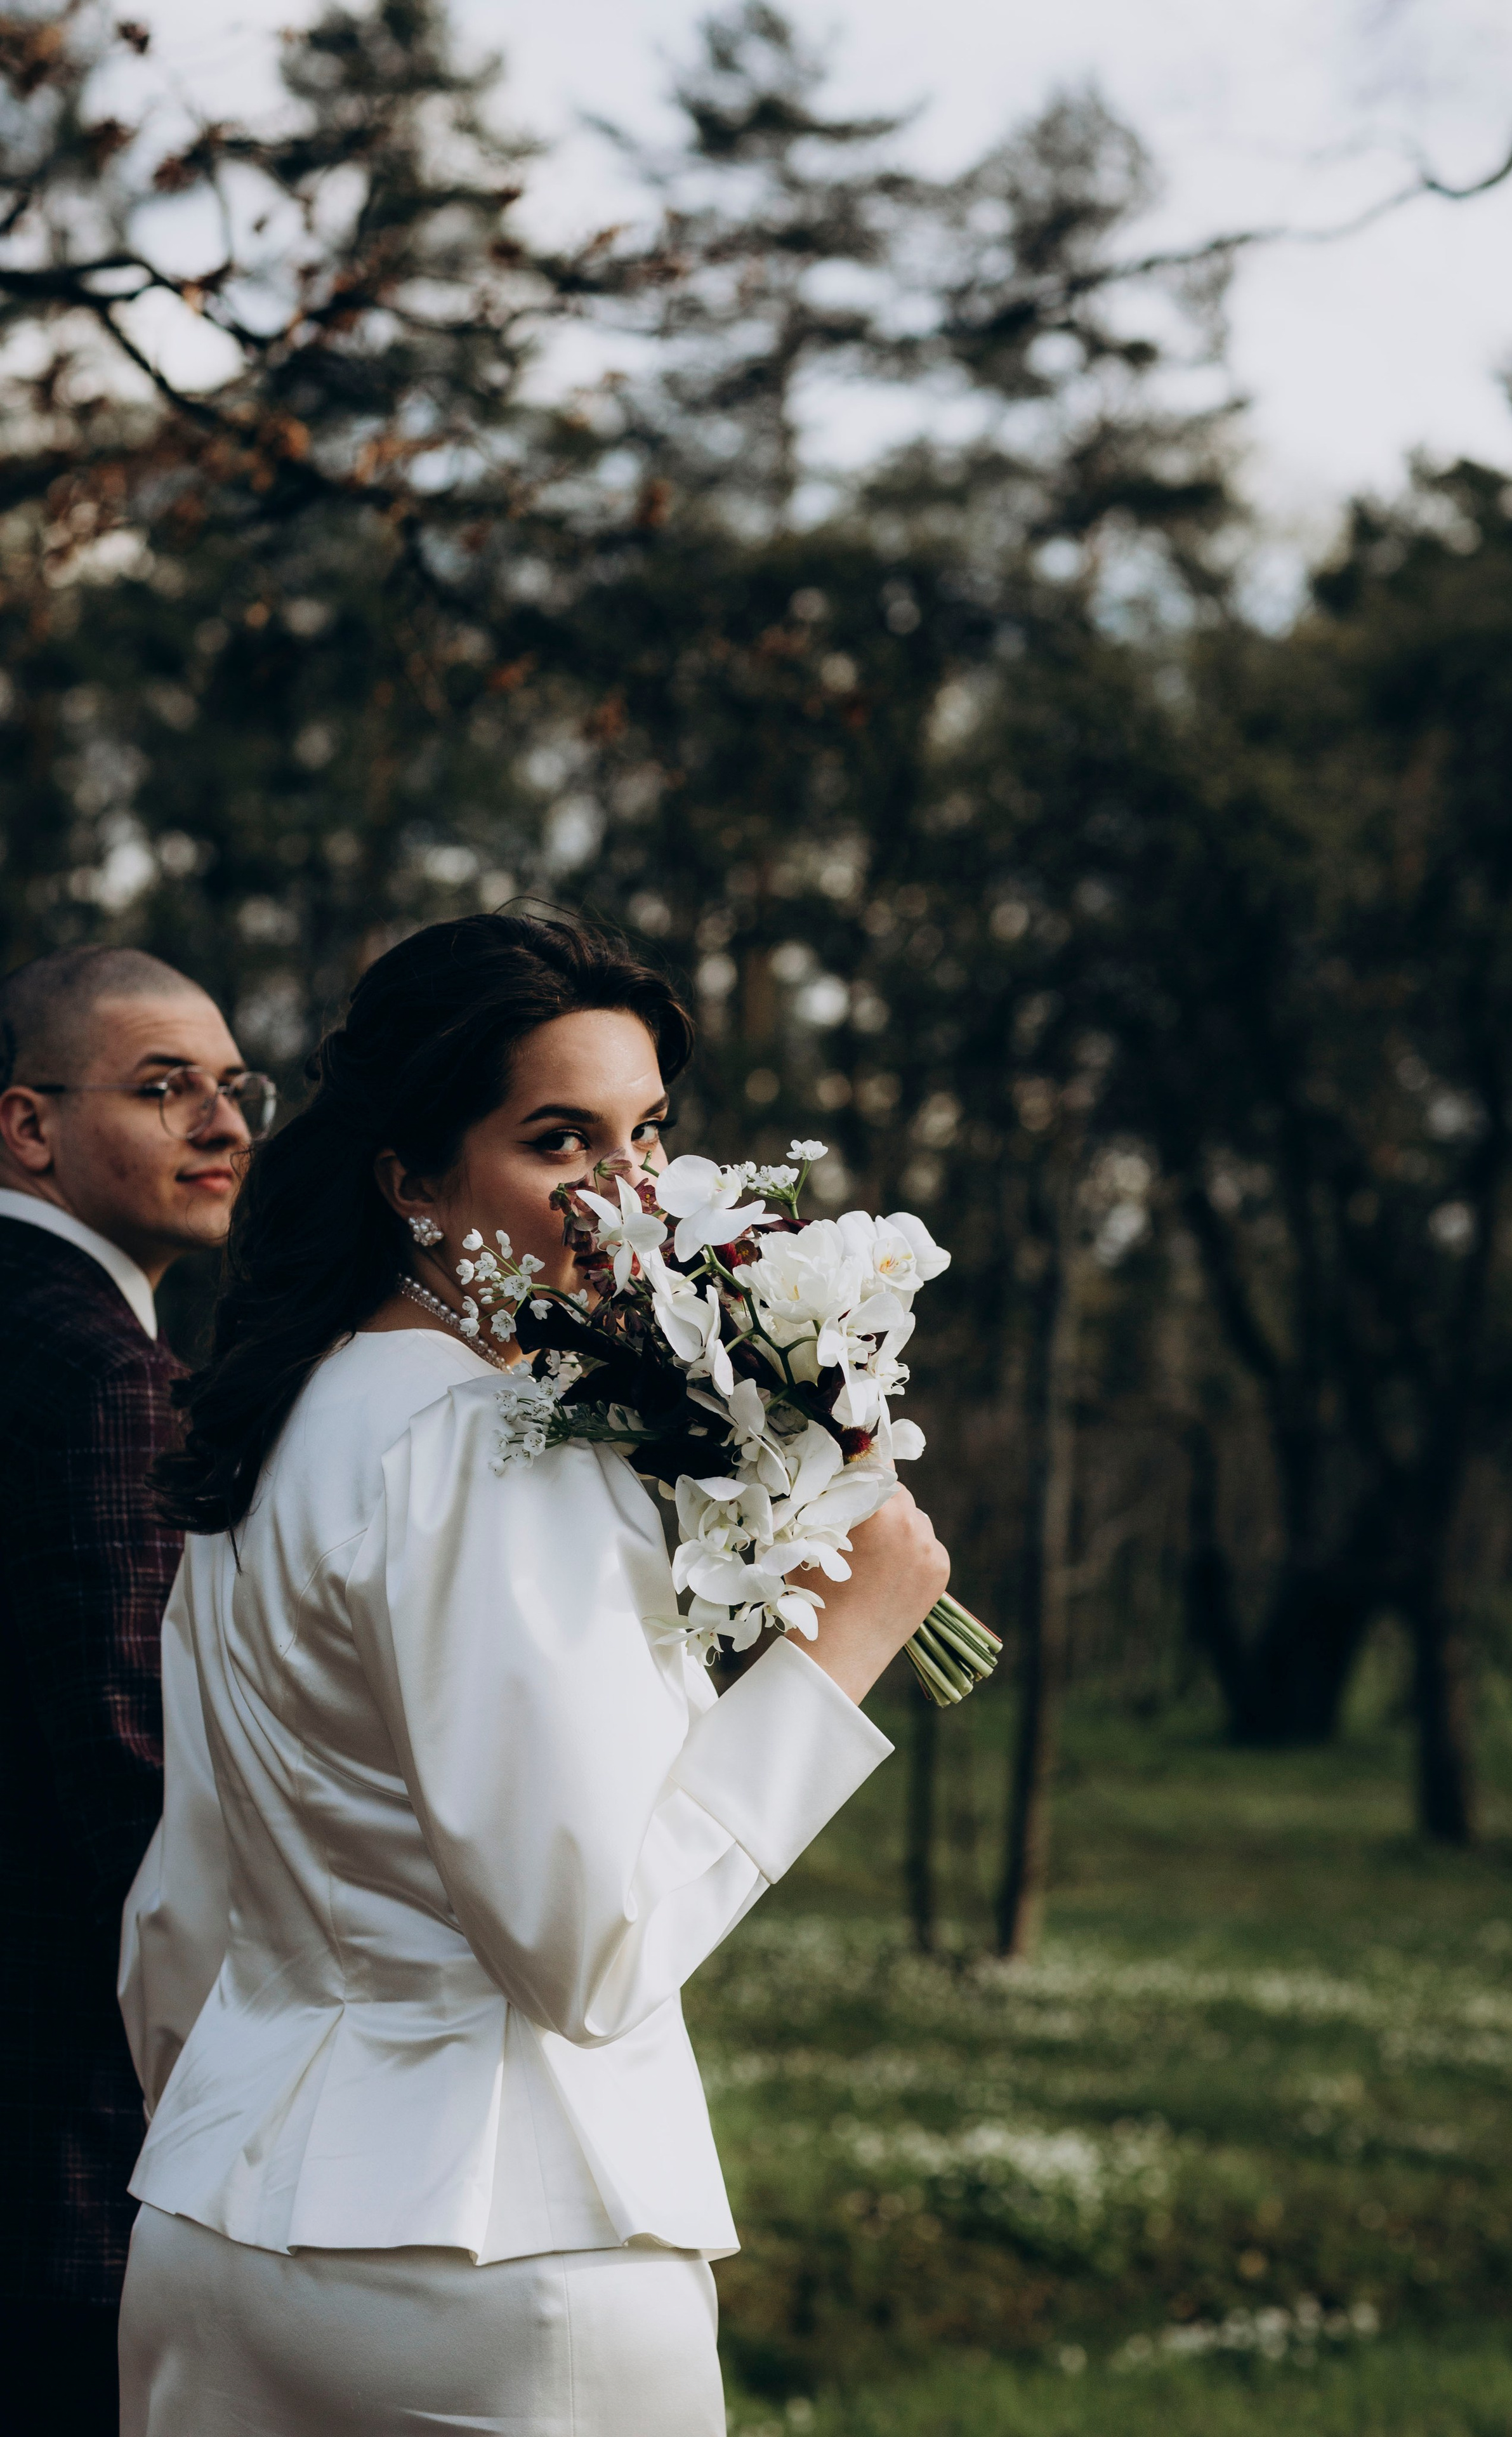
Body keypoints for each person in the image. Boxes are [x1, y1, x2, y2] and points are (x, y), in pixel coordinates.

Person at [118, 912, 947, 2437]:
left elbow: (182, 1900)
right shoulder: (497, 1448)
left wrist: (217, 2128)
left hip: (213, 2242)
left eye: (647, 1136)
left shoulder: (269, 1434)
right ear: (413, 1181)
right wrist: (840, 1647)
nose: (626, 1195)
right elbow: (589, 1951)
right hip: (506, 2267)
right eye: (558, 1141)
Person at [0, 945, 268, 2434]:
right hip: (58, 2132)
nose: (223, 1126)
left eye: (234, 1089)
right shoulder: (103, 1379)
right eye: (165, 1090)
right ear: (26, 1127)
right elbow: (136, 1781)